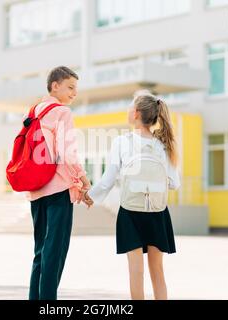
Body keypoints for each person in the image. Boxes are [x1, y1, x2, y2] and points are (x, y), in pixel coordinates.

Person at [83, 90, 180, 300]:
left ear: (135, 113)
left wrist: (89, 196)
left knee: (136, 271)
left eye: (129, 107)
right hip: (157, 212)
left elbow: (108, 179)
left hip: (130, 212)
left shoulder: (122, 142)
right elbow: (175, 183)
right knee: (158, 270)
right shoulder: (164, 145)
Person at [26, 66, 90, 300]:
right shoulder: (61, 112)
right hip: (58, 188)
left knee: (40, 252)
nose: (74, 93)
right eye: (70, 87)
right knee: (56, 251)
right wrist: (82, 178)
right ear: (55, 86)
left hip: (35, 189)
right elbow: (67, 151)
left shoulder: (33, 111)